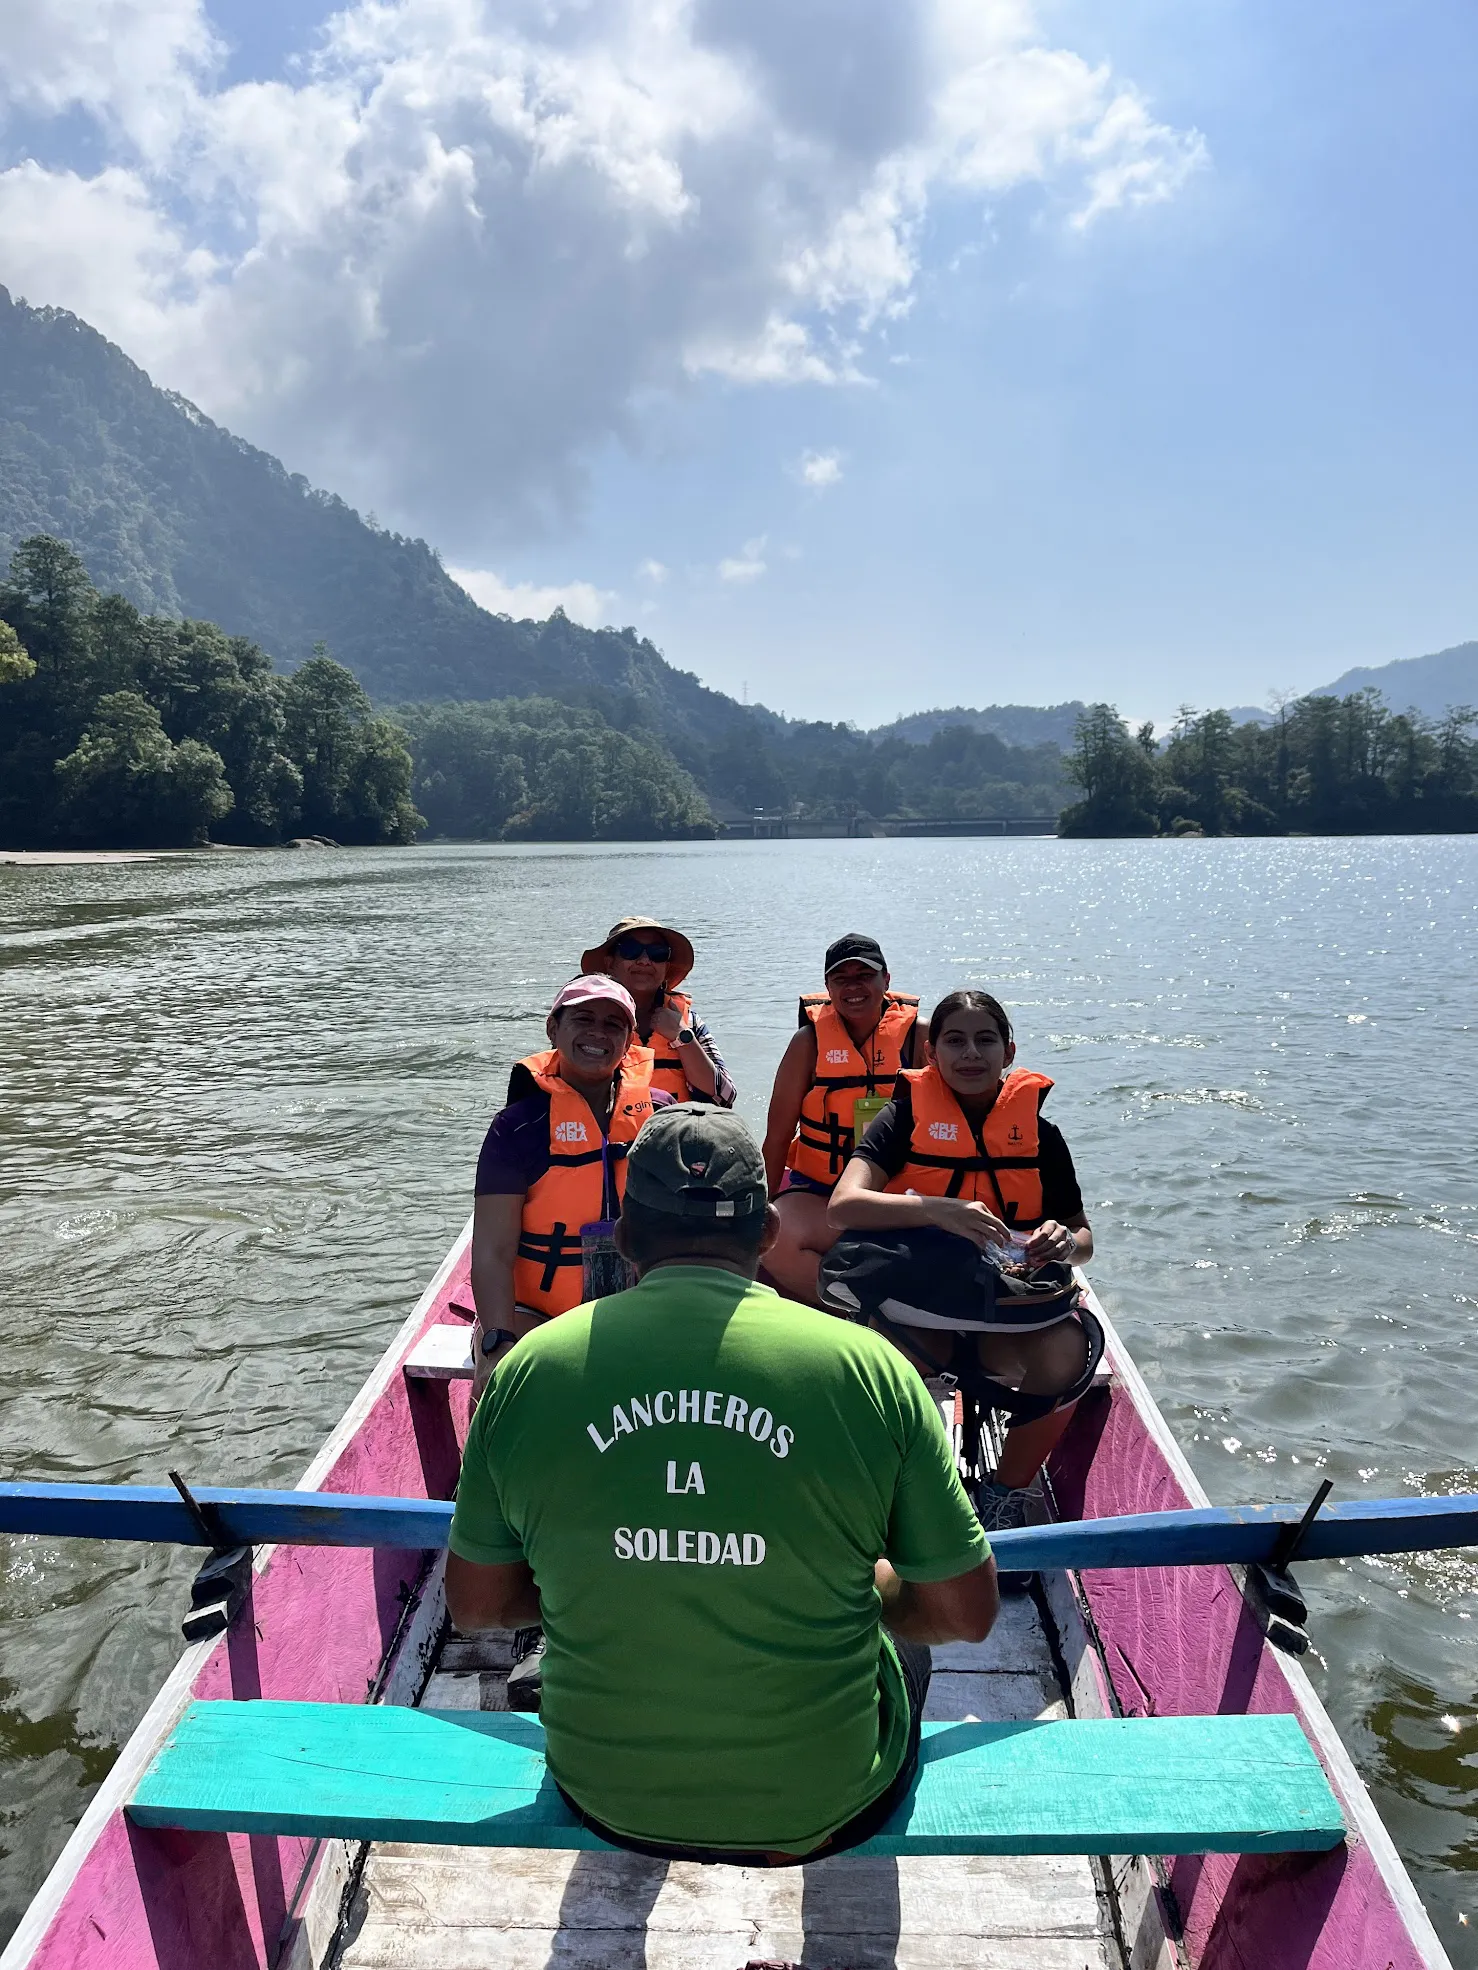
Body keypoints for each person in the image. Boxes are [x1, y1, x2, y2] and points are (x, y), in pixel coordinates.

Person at [447, 1104, 998, 1864]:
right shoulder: (870, 1369)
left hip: (604, 1793)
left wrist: (620, 1570)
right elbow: (965, 1613)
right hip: (826, 1803)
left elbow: (476, 1605)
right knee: (908, 1646)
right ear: (767, 1235)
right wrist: (867, 1582)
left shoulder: (529, 1371)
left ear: (628, 1237)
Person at [826, 989, 1097, 1535]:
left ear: (1009, 1050)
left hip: (1007, 1314)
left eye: (985, 1040)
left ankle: (1004, 1493)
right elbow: (842, 1207)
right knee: (873, 1367)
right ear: (932, 1054)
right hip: (919, 1308)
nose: (970, 1053)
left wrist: (1063, 1241)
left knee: (1072, 1351)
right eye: (954, 1040)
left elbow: (1084, 1236)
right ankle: (909, 1490)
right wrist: (937, 1211)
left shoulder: (1043, 1135)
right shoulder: (899, 1118)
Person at [471, 975, 671, 1398]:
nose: (598, 1033)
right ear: (553, 1028)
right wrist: (497, 1342)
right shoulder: (518, 1127)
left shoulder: (659, 1114)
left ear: (630, 1041)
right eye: (583, 1018)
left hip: (634, 1304)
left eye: (613, 1025)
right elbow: (492, 1251)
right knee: (505, 1394)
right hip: (534, 1311)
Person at [761, 933, 921, 1303]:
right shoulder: (808, 1043)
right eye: (841, 979)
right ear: (827, 987)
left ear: (886, 981)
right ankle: (859, 1311)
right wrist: (761, 1208)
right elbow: (778, 1134)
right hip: (821, 1192)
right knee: (774, 1239)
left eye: (864, 975)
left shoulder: (920, 1039)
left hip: (900, 1195)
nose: (853, 988)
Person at [580, 916, 736, 1105]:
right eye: (631, 950)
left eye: (657, 953)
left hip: (677, 1131)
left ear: (666, 967)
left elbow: (725, 1096)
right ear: (610, 963)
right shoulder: (583, 1021)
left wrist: (681, 1037)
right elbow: (560, 1085)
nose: (645, 960)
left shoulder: (689, 1023)